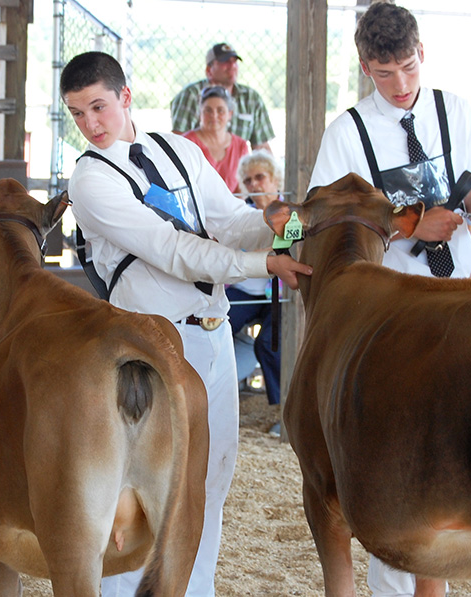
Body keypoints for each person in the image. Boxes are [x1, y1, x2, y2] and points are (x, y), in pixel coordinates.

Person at [61, 51, 310, 597]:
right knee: (143, 490)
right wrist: (261, 265)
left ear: (125, 97)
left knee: (210, 481)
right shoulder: (90, 179)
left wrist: (280, 230)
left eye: (98, 107)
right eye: (77, 114)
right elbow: (172, 250)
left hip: (214, 333)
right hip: (149, 344)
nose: (91, 124)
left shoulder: (178, 150)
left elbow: (229, 220)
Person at [307, 4, 471, 596]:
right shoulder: (346, 133)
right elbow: (328, 222)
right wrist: (410, 226)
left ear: (422, 53)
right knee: (395, 447)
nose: (401, 85)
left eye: (408, 67)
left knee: (444, 449)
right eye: (385, 74)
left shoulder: (452, 109)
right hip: (390, 312)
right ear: (364, 68)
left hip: (457, 298)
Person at [227, 150, 282, 411]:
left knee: (271, 344)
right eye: (248, 181)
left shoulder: (291, 213)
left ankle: (280, 408)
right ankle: (218, 395)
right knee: (213, 323)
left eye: (260, 177)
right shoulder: (239, 216)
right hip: (245, 289)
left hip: (281, 293)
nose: (254, 185)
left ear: (275, 180)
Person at [170, 42, 275, 152]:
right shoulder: (191, 95)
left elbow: (261, 146)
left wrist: (270, 168)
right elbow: (179, 143)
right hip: (199, 165)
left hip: (237, 166)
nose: (232, 66)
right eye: (225, 61)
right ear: (209, 70)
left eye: (235, 62)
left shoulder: (251, 98)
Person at [183, 86, 250, 193]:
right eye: (208, 110)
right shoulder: (186, 142)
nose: (214, 116)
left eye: (220, 111)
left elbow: (242, 189)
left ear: (230, 114)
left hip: (230, 207)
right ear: (200, 113)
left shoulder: (241, 146)